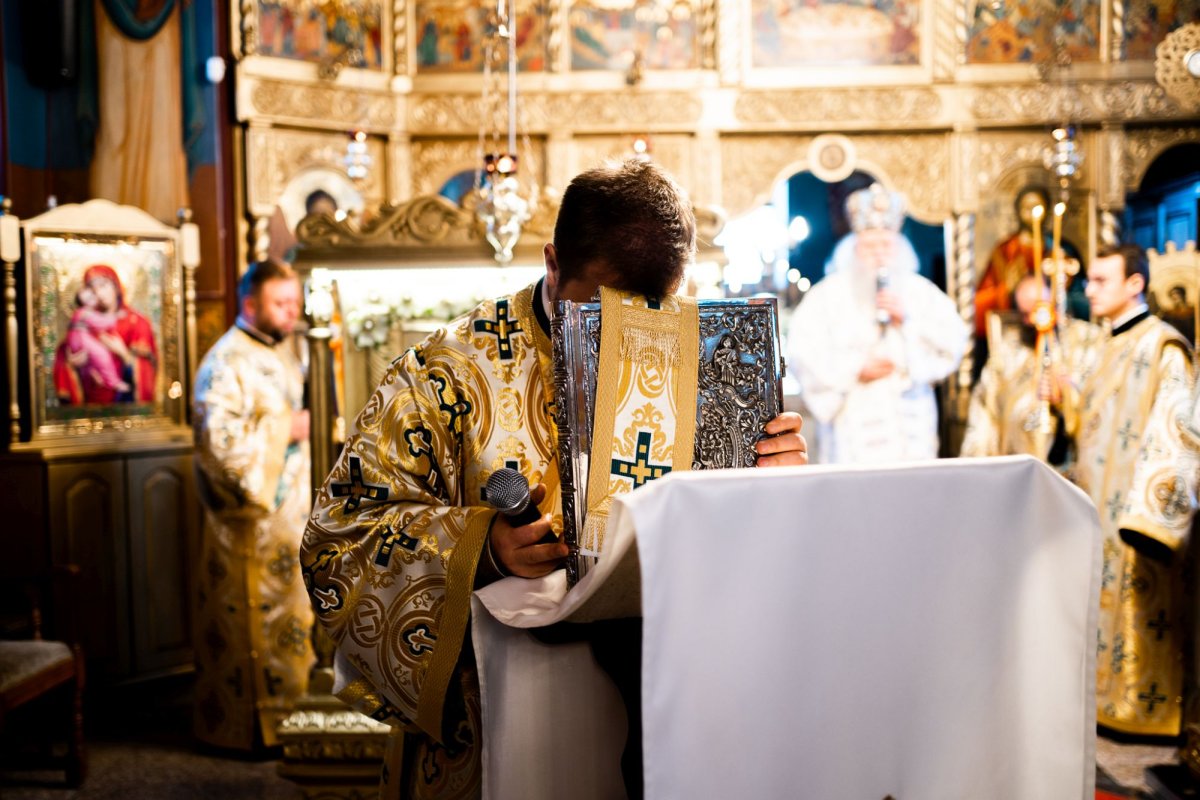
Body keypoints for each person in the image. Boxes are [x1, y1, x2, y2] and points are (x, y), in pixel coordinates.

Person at [300, 159, 808, 798]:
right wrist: (481, 549)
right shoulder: (443, 372)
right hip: (505, 701)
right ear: (552, 264)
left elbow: (741, 533)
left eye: (654, 307)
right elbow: (340, 534)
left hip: (669, 685)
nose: (619, 332)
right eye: (595, 307)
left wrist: (775, 481)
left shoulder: (714, 361)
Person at [1063, 243, 1198, 737]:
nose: (1088, 289)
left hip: (1135, 506)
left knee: (1142, 610)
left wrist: (1154, 512)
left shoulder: (1163, 345)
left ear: (1134, 284)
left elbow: (1180, 429)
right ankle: (1105, 702)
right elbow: (1091, 425)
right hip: (1096, 499)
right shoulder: (1104, 344)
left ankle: (1144, 708)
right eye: (1090, 281)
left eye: (1101, 280)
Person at [192, 259, 315, 752]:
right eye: (281, 304)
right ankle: (253, 729)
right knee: (256, 628)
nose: (292, 313)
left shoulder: (288, 349)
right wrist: (287, 427)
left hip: (292, 519)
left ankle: (297, 718)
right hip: (248, 529)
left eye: (295, 303)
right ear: (249, 305)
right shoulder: (224, 363)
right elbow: (220, 448)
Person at [787, 183, 968, 464]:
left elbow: (952, 346)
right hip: (854, 428)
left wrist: (907, 321)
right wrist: (855, 369)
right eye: (870, 246)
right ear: (854, 249)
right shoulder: (826, 297)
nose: (879, 253)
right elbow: (804, 356)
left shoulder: (921, 293)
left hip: (911, 428)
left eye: (886, 244)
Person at [960, 273, 1105, 460]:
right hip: (1016, 459)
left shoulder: (1088, 340)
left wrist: (1066, 396)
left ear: (1054, 303)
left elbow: (1101, 403)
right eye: (1024, 314)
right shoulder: (1009, 348)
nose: (1031, 321)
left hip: (1068, 462)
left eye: (1038, 311)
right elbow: (986, 403)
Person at [53, 264, 157, 405]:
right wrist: (72, 365)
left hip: (125, 406)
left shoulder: (137, 323)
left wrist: (124, 354)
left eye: (103, 286)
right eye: (92, 290)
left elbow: (147, 370)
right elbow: (65, 355)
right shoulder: (85, 321)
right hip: (90, 406)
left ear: (116, 286)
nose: (99, 294)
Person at [64, 284, 132, 395]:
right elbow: (101, 322)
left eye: (103, 285)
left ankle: (103, 378)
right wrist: (115, 316)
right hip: (80, 338)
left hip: (78, 338)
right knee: (101, 354)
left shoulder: (84, 312)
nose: (98, 296)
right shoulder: (86, 312)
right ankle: (113, 382)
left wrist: (124, 354)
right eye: (90, 298)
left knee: (94, 359)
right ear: (83, 303)